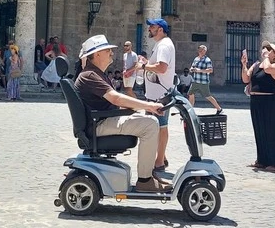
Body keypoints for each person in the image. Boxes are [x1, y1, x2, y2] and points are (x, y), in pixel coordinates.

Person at [73, 34, 170, 193]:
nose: (111, 52)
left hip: (102, 120)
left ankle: (149, 174)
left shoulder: (96, 73)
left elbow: (113, 101)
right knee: (151, 125)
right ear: (97, 54)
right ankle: (145, 180)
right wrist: (149, 105)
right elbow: (115, 98)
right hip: (99, 124)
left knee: (146, 118)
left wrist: (139, 109)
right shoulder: (90, 75)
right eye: (107, 50)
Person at [135, 17, 177, 177]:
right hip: (156, 93)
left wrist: (144, 66)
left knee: (160, 127)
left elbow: (162, 67)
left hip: (159, 95)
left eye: (152, 27)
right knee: (158, 127)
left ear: (160, 29)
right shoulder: (162, 45)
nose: (149, 29)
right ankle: (162, 157)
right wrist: (146, 62)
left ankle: (159, 162)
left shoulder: (164, 45)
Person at [240, 42, 275, 175]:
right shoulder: (256, 65)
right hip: (255, 101)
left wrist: (267, 58)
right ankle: (261, 160)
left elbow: (267, 69)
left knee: (271, 131)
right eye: (264, 49)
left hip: (269, 101)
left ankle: (274, 162)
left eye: (269, 49)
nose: (265, 51)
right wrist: (244, 64)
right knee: (259, 130)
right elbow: (245, 79)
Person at [188, 45, 223, 114]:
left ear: (205, 51)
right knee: (190, 94)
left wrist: (200, 70)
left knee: (208, 96)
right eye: (200, 50)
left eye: (202, 50)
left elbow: (210, 70)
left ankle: (219, 109)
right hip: (195, 81)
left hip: (203, 82)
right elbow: (192, 66)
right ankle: (190, 110)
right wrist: (191, 69)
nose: (201, 51)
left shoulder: (207, 60)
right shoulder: (196, 59)